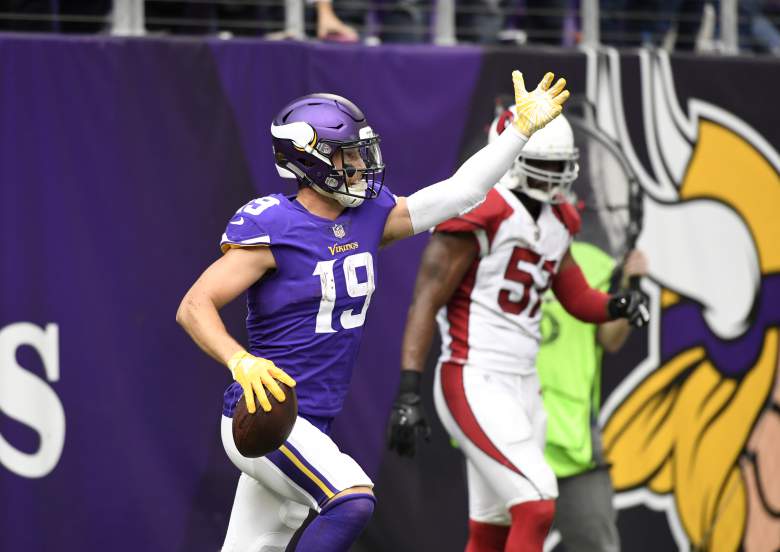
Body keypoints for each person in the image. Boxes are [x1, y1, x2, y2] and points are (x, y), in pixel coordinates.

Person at [176, 71, 570, 552]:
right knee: (351, 499)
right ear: (310, 159)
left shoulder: (368, 217)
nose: (362, 166)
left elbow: (459, 193)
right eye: (348, 155)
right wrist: (241, 361)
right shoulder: (276, 226)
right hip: (263, 414)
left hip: (312, 418)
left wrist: (519, 132)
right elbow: (194, 305)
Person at [386, 109, 650, 552]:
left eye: (561, 165)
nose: (555, 176)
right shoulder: (482, 209)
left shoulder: (559, 219)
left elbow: (577, 297)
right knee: (537, 501)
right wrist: (409, 389)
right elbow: (426, 301)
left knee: (492, 526)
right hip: (475, 376)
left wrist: (617, 304)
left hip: (526, 384)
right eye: (544, 165)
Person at [536, 243, 648, 552]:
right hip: (510, 435)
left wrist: (630, 287)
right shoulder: (498, 247)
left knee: (596, 543)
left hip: (575, 441)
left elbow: (610, 339)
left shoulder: (595, 262)